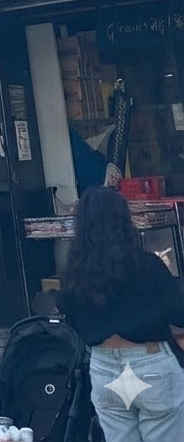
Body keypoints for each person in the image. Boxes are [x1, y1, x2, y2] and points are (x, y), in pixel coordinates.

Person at [58, 186, 184, 442]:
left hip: (103, 367)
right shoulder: (147, 264)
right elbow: (178, 313)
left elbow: (71, 320)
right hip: (150, 363)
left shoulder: (75, 274)